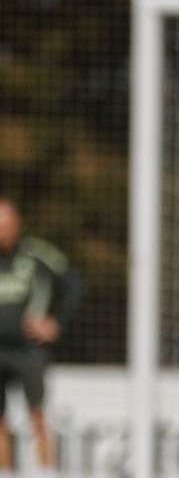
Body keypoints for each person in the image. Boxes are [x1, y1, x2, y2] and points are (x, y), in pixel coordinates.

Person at [0, 198, 78, 478]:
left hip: (28, 351)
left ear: (17, 224)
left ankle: (47, 473)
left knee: (38, 415)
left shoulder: (36, 254)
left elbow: (73, 283)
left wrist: (55, 322)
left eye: (6, 223)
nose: (2, 230)